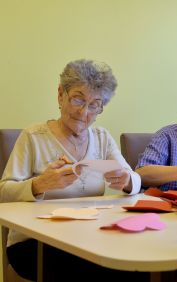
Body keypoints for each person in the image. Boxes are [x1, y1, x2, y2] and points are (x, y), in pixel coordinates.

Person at [0, 59, 145, 281]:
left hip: (87, 237)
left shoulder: (102, 138)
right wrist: (40, 185)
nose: (84, 112)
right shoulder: (33, 137)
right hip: (34, 243)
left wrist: (126, 181)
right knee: (93, 269)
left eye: (94, 104)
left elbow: (134, 180)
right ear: (60, 94)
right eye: (78, 99)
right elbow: (3, 193)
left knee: (136, 265)